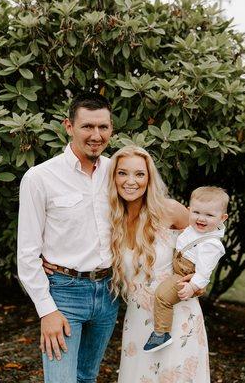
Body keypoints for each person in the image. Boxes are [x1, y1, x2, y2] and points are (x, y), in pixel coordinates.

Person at [17, 92, 119, 383]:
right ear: (69, 126)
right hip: (64, 294)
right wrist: (46, 310)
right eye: (87, 126)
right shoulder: (40, 178)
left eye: (103, 127)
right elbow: (27, 253)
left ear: (111, 129)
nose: (96, 135)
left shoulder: (117, 172)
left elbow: (152, 213)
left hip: (108, 292)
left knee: (87, 376)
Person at [107, 146, 211, 383]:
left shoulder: (170, 210)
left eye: (140, 174)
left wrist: (199, 280)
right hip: (137, 321)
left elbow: (206, 242)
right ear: (113, 177)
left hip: (178, 317)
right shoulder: (111, 217)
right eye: (123, 173)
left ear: (149, 178)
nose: (131, 181)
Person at [144, 186, 229, 353]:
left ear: (222, 218)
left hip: (184, 275)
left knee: (162, 296)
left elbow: (204, 273)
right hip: (178, 266)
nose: (201, 219)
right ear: (189, 210)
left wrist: (192, 286)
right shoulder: (193, 229)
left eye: (209, 215)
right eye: (196, 212)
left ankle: (161, 333)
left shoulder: (211, 244)